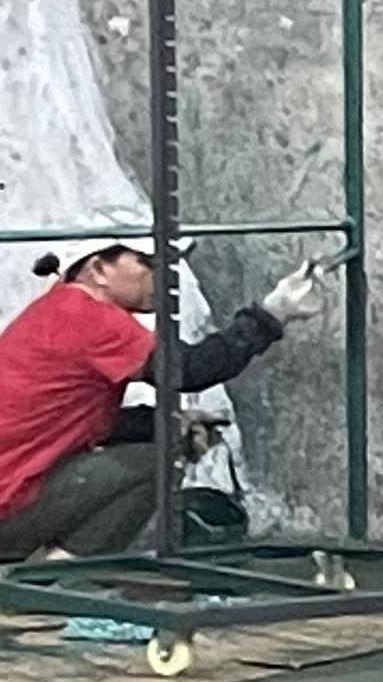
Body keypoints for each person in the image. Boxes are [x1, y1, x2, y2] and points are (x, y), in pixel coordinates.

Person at [0, 235, 324, 561]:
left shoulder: (57, 309)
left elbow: (72, 423)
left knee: (150, 450)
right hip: (7, 505)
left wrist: (167, 423)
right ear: (98, 269)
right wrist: (270, 316)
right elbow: (188, 369)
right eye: (148, 264)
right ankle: (59, 575)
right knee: (157, 463)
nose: (164, 276)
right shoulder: (90, 318)